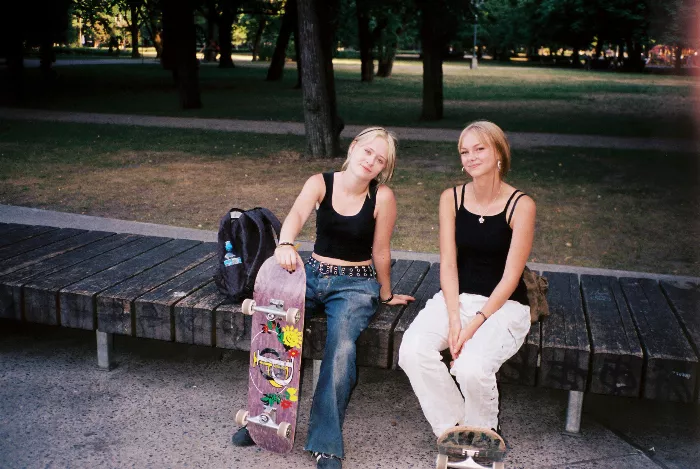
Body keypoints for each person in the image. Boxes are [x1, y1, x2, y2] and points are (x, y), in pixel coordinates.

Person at [232, 127, 414, 468]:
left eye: (380, 160)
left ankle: (326, 442)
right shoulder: (320, 182)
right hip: (311, 275)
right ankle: (264, 419)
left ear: (383, 168)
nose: (371, 161)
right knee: (276, 332)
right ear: (354, 146)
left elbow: (381, 250)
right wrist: (285, 244)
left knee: (342, 346)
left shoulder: (383, 197)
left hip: (356, 285)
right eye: (368, 151)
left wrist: (386, 295)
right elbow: (297, 215)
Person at [398, 120, 535, 441]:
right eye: (464, 151)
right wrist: (455, 318)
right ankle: (458, 431)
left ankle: (484, 430)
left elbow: (511, 277)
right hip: (455, 297)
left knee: (471, 368)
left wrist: (471, 326)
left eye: (479, 148)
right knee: (413, 350)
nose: (470, 157)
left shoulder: (522, 205)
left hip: (503, 305)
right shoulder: (451, 198)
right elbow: (447, 263)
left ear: (499, 152)